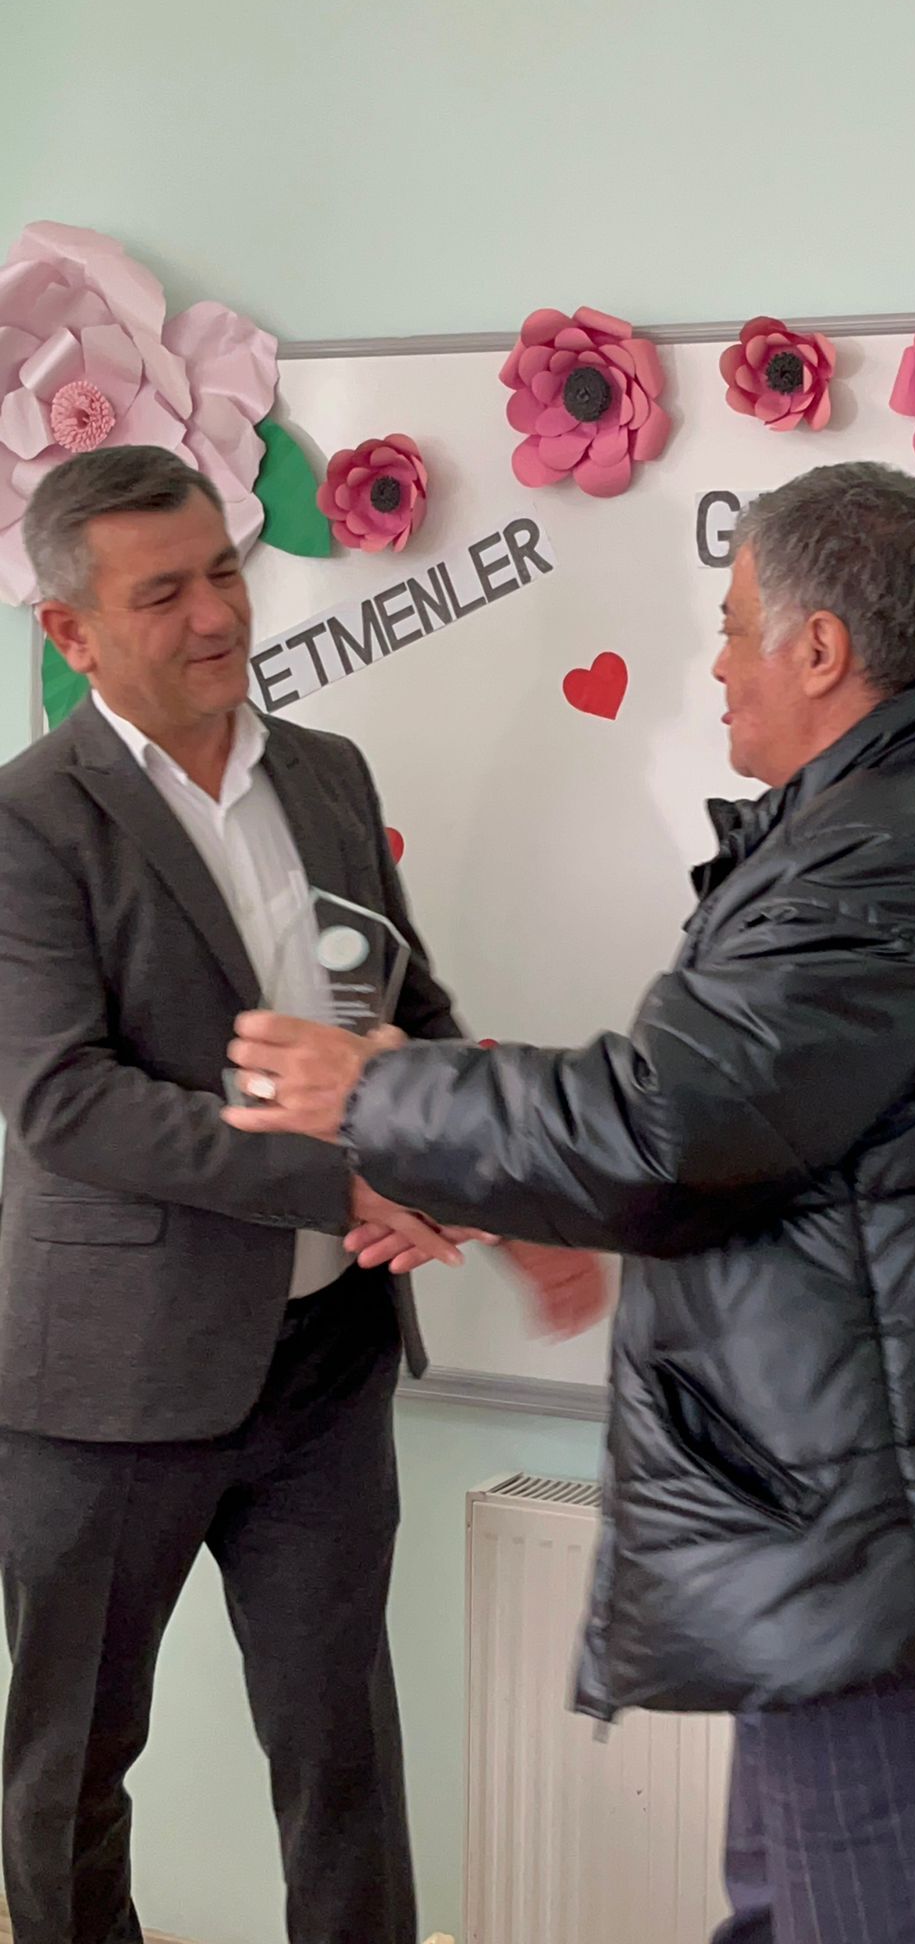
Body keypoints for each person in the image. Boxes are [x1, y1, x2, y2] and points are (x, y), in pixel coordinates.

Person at [226, 460, 915, 1944]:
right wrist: (466, 1183)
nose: (715, 664)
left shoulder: (883, 853)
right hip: (893, 1523)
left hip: (889, 1546)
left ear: (820, 648)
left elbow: (668, 1130)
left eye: (731, 626)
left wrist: (375, 1095)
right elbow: (755, 1134)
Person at [0, 445, 605, 1944]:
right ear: (70, 632)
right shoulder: (28, 820)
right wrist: (350, 1180)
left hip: (326, 1368)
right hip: (109, 1388)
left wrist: (502, 1189)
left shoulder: (327, 773)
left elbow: (410, 1012)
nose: (216, 614)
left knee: (342, 1755)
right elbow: (68, 1102)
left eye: (224, 570)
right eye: (162, 594)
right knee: (73, 1771)